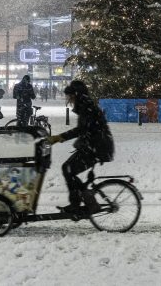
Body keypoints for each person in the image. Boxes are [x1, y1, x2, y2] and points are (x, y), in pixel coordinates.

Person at [46, 80, 114, 219]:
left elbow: (82, 129)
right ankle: (80, 201)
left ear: (76, 95)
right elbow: (86, 130)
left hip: (97, 148)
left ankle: (78, 204)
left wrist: (60, 137)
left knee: (68, 168)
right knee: (68, 169)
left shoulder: (86, 106)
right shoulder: (85, 105)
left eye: (69, 96)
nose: (68, 99)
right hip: (94, 146)